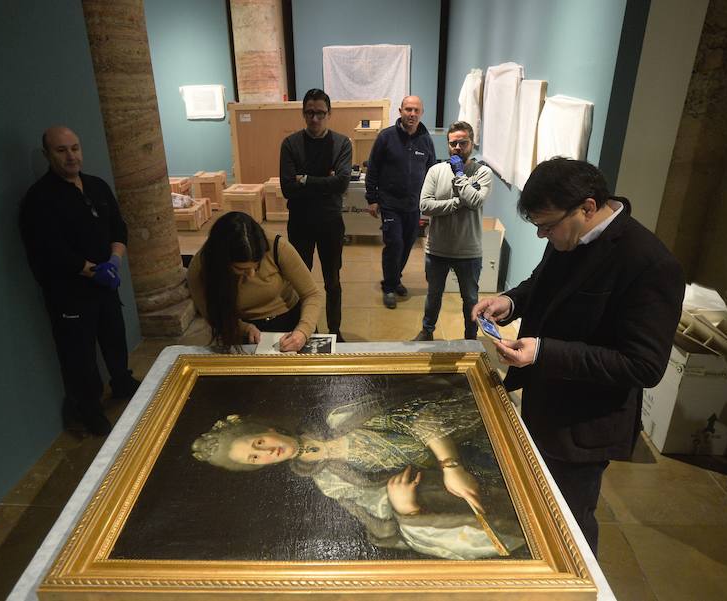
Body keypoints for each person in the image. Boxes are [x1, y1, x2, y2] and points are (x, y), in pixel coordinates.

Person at [472, 157, 684, 555]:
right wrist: (510, 302)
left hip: (585, 426)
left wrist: (545, 352)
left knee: (570, 522)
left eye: (547, 226)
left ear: (587, 207)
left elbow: (644, 365)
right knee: (538, 503)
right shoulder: (570, 236)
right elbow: (544, 283)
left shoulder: (649, 263)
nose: (541, 236)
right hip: (545, 401)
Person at [191, 375, 526, 559]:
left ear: (265, 429)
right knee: (484, 527)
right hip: (448, 482)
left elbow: (416, 412)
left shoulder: (337, 415)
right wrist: (405, 509)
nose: (267, 451)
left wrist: (451, 464)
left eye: (258, 443)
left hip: (468, 435)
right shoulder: (326, 481)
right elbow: (376, 522)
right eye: (255, 457)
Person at [19, 126, 139, 436]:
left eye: (75, 148)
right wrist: (91, 270)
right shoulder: (39, 199)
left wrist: (114, 261)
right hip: (70, 293)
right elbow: (50, 249)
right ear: (48, 155)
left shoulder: (97, 186)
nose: (71, 155)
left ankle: (122, 381)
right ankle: (89, 409)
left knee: (114, 335)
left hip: (106, 284)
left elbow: (118, 228)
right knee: (79, 355)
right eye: (61, 150)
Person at [186, 211, 323, 352]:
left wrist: (302, 331)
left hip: (290, 322)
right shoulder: (201, 268)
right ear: (222, 262)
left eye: (257, 266)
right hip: (239, 328)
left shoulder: (276, 246)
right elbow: (212, 314)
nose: (251, 275)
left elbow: (312, 294)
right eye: (241, 269)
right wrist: (244, 328)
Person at [279, 89, 352, 341]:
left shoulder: (341, 143)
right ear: (303, 113)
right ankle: (308, 328)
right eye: (310, 113)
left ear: (329, 114)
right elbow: (288, 188)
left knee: (333, 280)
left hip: (331, 223)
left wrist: (305, 179)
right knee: (301, 280)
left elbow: (342, 183)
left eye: (320, 113)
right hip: (300, 223)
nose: (315, 119)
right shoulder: (290, 144)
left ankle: (335, 329)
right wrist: (325, 181)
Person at [413, 121, 492, 341]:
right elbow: (425, 206)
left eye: (463, 143)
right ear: (448, 144)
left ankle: (470, 338)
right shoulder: (436, 171)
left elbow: (475, 201)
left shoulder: (483, 173)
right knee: (433, 295)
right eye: (453, 143)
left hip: (468, 251)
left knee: (470, 298)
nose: (457, 147)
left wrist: (459, 175)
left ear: (472, 143)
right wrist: (458, 202)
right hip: (437, 248)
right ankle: (427, 331)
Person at [365, 96, 436, 309]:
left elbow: (432, 172)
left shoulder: (426, 140)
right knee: (394, 243)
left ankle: (395, 279)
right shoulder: (386, 137)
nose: (412, 114)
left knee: (406, 245)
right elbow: (373, 169)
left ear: (422, 113)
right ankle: (389, 287)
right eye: (408, 109)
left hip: (414, 205)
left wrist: (430, 200)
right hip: (390, 203)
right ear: (400, 111)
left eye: (416, 110)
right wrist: (372, 198)